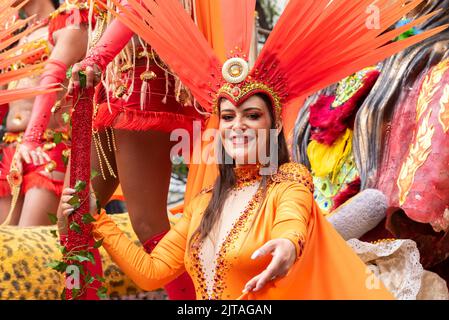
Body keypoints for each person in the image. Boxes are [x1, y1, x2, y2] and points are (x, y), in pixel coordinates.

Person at [59, 0, 444, 299]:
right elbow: (150, 272)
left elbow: (292, 223)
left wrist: (288, 246)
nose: (238, 124)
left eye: (252, 115)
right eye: (228, 116)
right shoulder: (203, 204)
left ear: (274, 125)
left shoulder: (288, 184)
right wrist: (99, 220)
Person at [0, 0, 91, 226]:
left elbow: (51, 80)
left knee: (30, 245)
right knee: (4, 248)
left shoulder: (69, 21)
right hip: (11, 146)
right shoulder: (14, 35)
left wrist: (31, 141)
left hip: (48, 149)